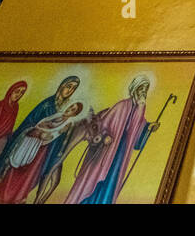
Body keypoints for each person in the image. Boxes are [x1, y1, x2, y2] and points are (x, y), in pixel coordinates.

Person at [0, 75, 80, 203]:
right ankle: (4, 195)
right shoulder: (47, 104)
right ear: (62, 86)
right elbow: (30, 122)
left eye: (73, 89)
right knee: (16, 170)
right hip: (29, 142)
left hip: (43, 151)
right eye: (69, 87)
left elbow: (61, 134)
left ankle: (19, 198)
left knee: (29, 177)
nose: (70, 91)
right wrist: (36, 131)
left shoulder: (66, 109)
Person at [65, 74, 160, 204]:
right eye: (141, 88)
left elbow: (137, 130)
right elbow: (101, 125)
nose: (143, 92)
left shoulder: (138, 112)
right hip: (106, 152)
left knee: (111, 182)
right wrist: (105, 137)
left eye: (146, 89)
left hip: (120, 155)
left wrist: (148, 128)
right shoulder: (121, 106)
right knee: (95, 180)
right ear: (135, 88)